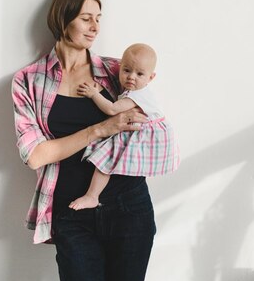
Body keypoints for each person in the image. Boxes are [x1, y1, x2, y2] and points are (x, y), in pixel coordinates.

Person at [12, 0, 156, 281]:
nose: (95, 28)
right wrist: (101, 128)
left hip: (128, 207)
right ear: (64, 20)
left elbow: (146, 118)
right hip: (71, 214)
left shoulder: (118, 71)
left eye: (99, 19)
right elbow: (35, 155)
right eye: (86, 18)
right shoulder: (28, 81)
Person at [69, 43, 180, 211]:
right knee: (106, 160)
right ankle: (92, 196)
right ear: (119, 68)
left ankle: (92, 196)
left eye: (139, 74)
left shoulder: (137, 95)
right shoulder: (134, 90)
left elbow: (112, 109)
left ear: (151, 78)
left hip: (143, 133)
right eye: (126, 70)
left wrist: (93, 94)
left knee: (105, 160)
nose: (131, 77)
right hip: (136, 130)